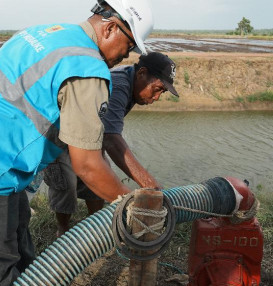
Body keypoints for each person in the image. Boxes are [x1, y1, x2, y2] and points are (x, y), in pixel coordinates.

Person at [0, 0, 155, 285]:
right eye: (129, 46)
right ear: (110, 29)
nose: (125, 57)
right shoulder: (87, 68)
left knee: (21, 245)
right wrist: (136, 207)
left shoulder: (47, 32)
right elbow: (88, 165)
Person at [44, 52, 178, 236]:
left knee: (99, 179)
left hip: (85, 134)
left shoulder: (132, 85)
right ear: (142, 74)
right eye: (157, 89)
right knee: (65, 184)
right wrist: (151, 187)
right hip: (59, 135)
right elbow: (111, 139)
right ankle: (63, 232)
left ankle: (96, 229)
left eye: (161, 93)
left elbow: (104, 130)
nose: (156, 98)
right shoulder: (119, 85)